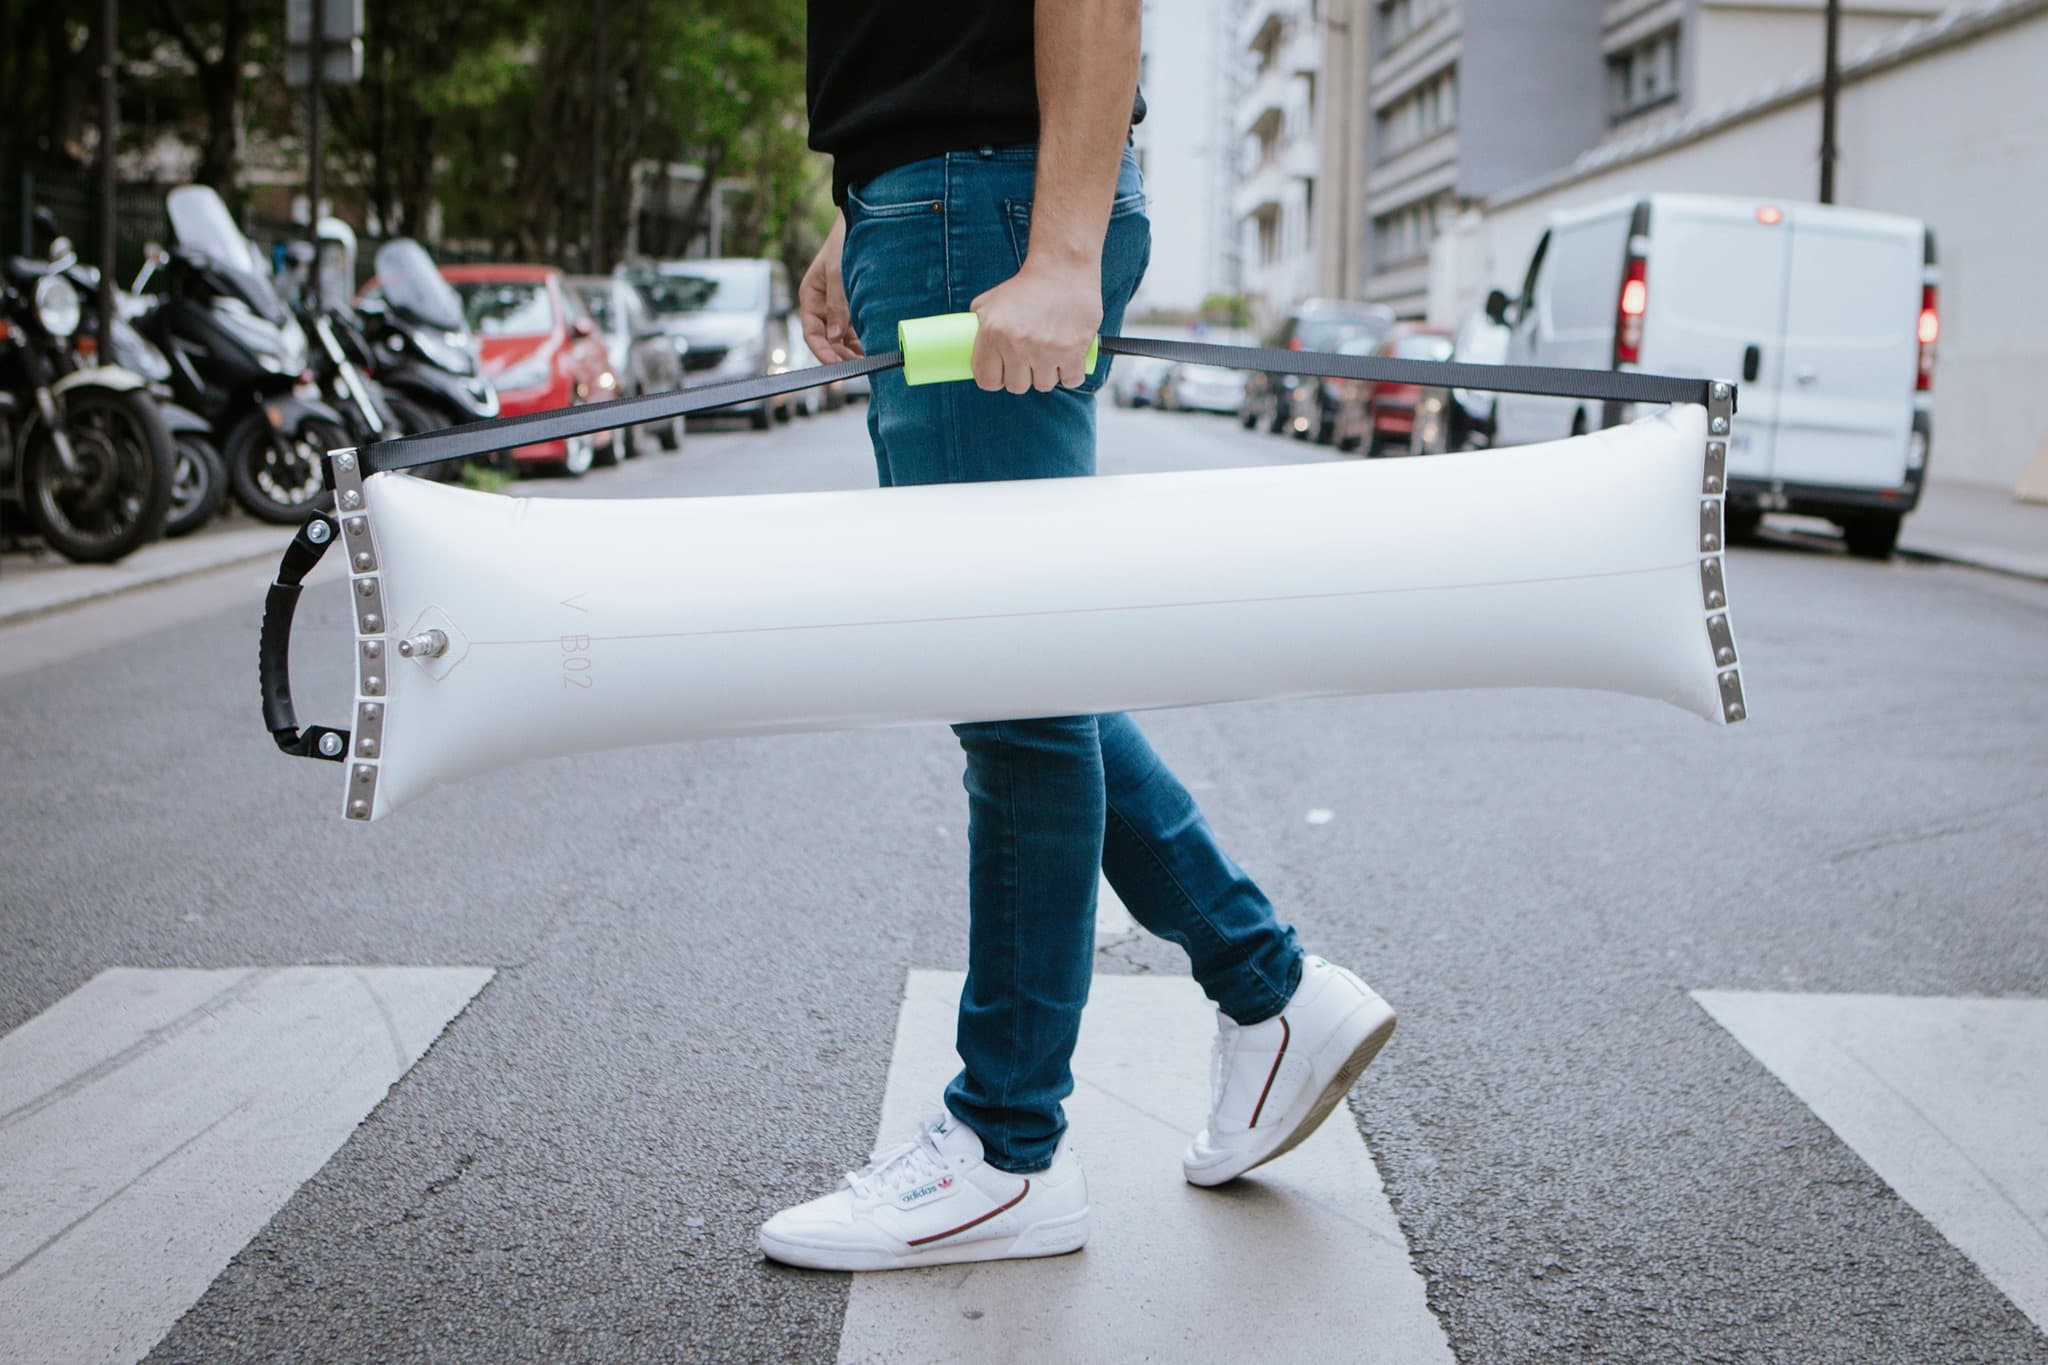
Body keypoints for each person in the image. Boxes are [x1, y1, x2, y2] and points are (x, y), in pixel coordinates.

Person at [758, 0, 1396, 1272]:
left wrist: (1056, 250)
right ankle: (1268, 991)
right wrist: (860, 199)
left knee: (1012, 680)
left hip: (979, 208)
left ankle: (1003, 1151)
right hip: (939, 198)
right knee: (1017, 660)